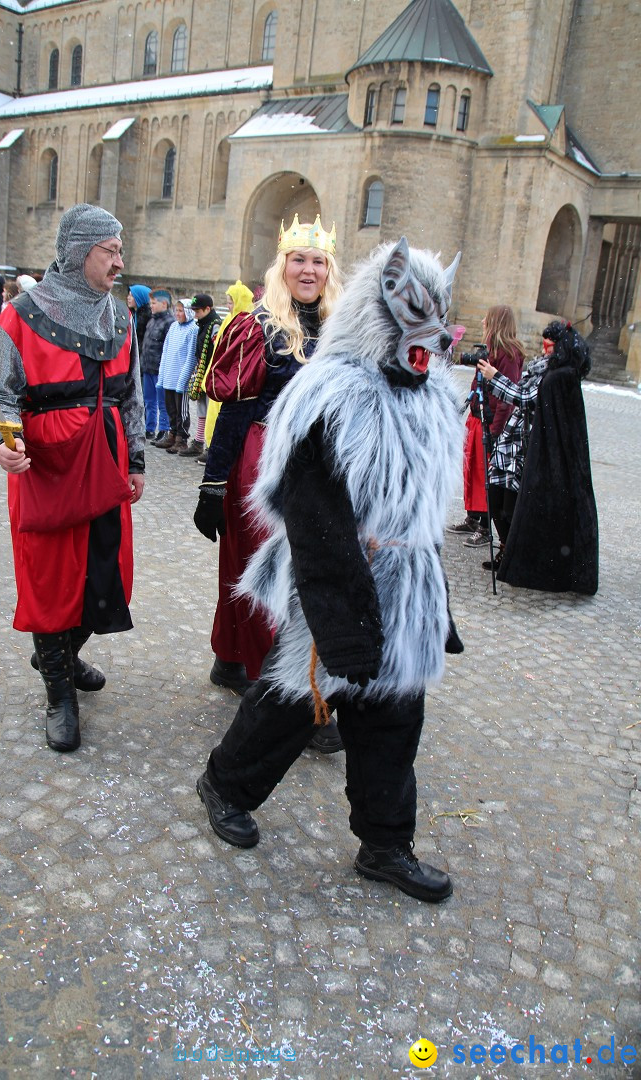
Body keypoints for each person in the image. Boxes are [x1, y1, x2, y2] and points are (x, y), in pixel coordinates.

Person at [196, 235, 463, 903]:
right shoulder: (334, 390)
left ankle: (385, 843)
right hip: (337, 574)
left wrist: (430, 591)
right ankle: (225, 784)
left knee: (396, 714)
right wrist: (342, 609)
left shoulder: (432, 393)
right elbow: (311, 506)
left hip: (405, 586)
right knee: (295, 699)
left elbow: (423, 506)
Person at [0, 203, 145, 752]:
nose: (120, 261)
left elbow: (130, 393)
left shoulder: (120, 315)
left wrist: (136, 460)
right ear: (77, 253)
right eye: (109, 251)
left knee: (106, 575)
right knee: (49, 580)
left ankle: (61, 655)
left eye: (120, 250)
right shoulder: (21, 316)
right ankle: (59, 692)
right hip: (46, 465)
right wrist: (3, 441)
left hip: (107, 460)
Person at [193, 214, 344, 753]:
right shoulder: (255, 324)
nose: (308, 269)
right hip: (260, 460)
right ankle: (284, 693)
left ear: (330, 268)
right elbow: (232, 411)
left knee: (290, 572)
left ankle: (230, 658)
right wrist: (213, 484)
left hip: (315, 464)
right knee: (262, 569)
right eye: (298, 260)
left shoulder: (339, 325)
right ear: (282, 265)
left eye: (318, 260)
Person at [478, 320, 598, 594]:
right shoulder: (543, 369)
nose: (544, 351)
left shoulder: (557, 376)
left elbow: (525, 397)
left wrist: (495, 377)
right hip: (512, 444)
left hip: (527, 449)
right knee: (496, 501)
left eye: (550, 346)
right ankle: (509, 549)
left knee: (510, 506)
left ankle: (513, 553)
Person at [447, 305, 524, 547]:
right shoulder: (492, 351)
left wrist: (496, 430)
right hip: (478, 416)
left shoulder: (508, 354)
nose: (482, 322)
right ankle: (473, 517)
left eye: (486, 319)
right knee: (472, 471)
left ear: (497, 322)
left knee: (485, 477)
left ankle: (485, 526)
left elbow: (506, 397)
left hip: (490, 421)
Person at [202, 280, 254, 454]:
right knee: (214, 413)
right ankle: (212, 446)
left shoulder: (248, 322)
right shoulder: (227, 320)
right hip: (220, 373)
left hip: (233, 377)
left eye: (231, 302)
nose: (228, 306)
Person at [181, 293, 222, 459]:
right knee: (201, 408)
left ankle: (209, 446)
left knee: (210, 410)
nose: (195, 314)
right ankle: (198, 441)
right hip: (202, 371)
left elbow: (217, 349)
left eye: (198, 311)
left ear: (208, 309)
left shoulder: (215, 325)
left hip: (210, 373)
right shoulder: (203, 324)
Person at [154, 299, 198, 452]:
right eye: (176, 310)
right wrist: (162, 375)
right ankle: (172, 433)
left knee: (181, 411)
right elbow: (165, 351)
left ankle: (182, 437)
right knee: (171, 408)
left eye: (181, 311)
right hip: (169, 376)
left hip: (181, 378)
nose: (178, 314)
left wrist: (183, 380)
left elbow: (191, 357)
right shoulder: (173, 327)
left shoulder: (193, 329)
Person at [139, 289, 174, 441]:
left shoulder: (169, 322)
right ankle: (149, 427)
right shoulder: (152, 320)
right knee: (149, 400)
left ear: (164, 303)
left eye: (154, 303)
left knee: (162, 402)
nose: (151, 306)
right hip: (147, 367)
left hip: (159, 369)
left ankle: (164, 429)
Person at [127, 284, 151, 353]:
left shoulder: (148, 317)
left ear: (139, 297)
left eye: (132, 296)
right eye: (129, 295)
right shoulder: (132, 314)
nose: (128, 298)